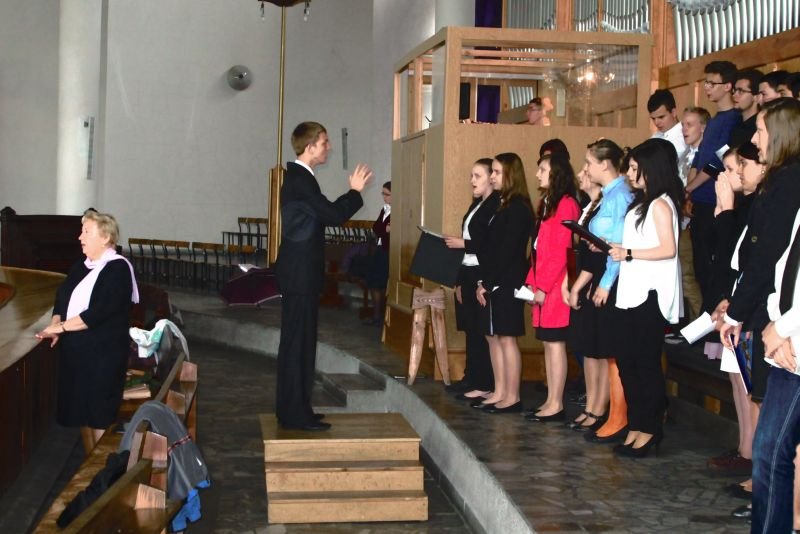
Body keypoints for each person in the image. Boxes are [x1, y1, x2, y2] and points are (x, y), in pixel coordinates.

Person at [275, 121, 372, 431]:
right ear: (310, 146)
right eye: (325, 142)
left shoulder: (301, 178)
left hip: (299, 274)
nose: (328, 148)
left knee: (300, 344)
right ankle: (294, 414)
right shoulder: (300, 180)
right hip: (299, 275)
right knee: (298, 345)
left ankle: (296, 408)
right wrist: (354, 192)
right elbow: (332, 215)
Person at [36, 210, 139, 454]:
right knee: (83, 414)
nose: (80, 237)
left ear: (105, 238)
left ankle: (102, 469)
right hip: (79, 357)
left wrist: (61, 327)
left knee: (98, 415)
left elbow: (98, 312)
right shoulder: (82, 266)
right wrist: (57, 322)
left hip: (102, 358)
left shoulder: (117, 270)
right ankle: (90, 462)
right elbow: (62, 297)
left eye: (86, 232)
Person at [608, 138, 684, 457]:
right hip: (632, 291)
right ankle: (636, 423)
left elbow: (668, 249)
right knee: (627, 362)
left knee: (645, 363)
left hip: (650, 295)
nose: (629, 174)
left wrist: (628, 252)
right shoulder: (641, 203)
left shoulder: (661, 204)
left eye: (635, 168)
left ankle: (650, 428)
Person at [580, 139, 634, 442]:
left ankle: (619, 416)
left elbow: (621, 244)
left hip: (615, 275)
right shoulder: (609, 195)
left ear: (604, 164)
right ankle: (615, 413)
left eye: (589, 163)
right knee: (609, 348)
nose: (586, 169)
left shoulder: (620, 195)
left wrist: (605, 283)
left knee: (614, 350)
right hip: (606, 269)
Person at [474, 152, 534, 414]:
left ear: (510, 174)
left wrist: (488, 282)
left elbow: (507, 250)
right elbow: (489, 244)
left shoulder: (518, 208)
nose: (493, 177)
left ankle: (513, 396)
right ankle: (501, 391)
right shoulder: (503, 204)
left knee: (508, 338)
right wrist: (485, 280)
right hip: (497, 278)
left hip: (509, 280)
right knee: (498, 337)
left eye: (497, 172)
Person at [753, 206, 800, 533]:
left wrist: (781, 329)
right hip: (788, 351)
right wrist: (775, 325)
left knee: (770, 453)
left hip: (793, 350)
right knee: (767, 453)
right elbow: (785, 272)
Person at [524, 153, 580, 422]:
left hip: (557, 286)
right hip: (545, 283)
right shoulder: (547, 202)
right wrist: (532, 282)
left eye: (543, 169)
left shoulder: (566, 204)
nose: (538, 174)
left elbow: (561, 251)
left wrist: (543, 287)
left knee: (555, 343)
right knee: (548, 343)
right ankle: (550, 400)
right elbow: (538, 250)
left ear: (556, 173)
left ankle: (556, 403)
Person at [686, 60, 741, 313]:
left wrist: (690, 188)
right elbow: (700, 157)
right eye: (705, 82)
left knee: (711, 267)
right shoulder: (717, 119)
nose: (707, 87)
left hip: (714, 201)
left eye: (712, 83)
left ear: (728, 86)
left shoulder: (732, 119)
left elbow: (717, 161)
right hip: (700, 200)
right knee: (699, 265)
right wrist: (689, 191)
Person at [444, 159, 500, 399]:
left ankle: (484, 381)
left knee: (481, 329)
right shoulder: (477, 204)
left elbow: (489, 243)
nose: (472, 181)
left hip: (481, 272)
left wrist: (463, 244)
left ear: (491, 179)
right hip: (467, 271)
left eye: (478, 176)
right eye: (471, 175)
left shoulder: (496, 206)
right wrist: (458, 280)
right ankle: (471, 377)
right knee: (470, 327)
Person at [564, 168, 607, 431]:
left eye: (586, 168)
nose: (581, 174)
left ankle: (599, 408)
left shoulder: (605, 206)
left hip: (598, 280)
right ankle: (591, 404)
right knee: (588, 350)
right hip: (585, 277)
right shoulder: (588, 206)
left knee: (598, 350)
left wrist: (583, 285)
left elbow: (599, 255)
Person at [364, 181, 391, 326]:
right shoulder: (384, 209)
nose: (384, 197)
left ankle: (380, 316)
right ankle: (376, 314)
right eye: (383, 193)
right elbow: (376, 228)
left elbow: (388, 231)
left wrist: (384, 229)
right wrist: (384, 229)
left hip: (388, 251)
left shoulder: (397, 211)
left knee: (381, 283)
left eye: (387, 194)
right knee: (373, 282)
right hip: (380, 249)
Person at [648, 89, 687, 164]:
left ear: (673, 112)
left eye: (661, 117)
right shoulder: (655, 136)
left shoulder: (685, 137)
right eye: (653, 118)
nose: (656, 123)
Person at [729, 69, 762, 148]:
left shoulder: (759, 126)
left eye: (741, 91)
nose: (734, 95)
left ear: (756, 97)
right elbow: (727, 148)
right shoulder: (736, 122)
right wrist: (717, 154)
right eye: (734, 90)